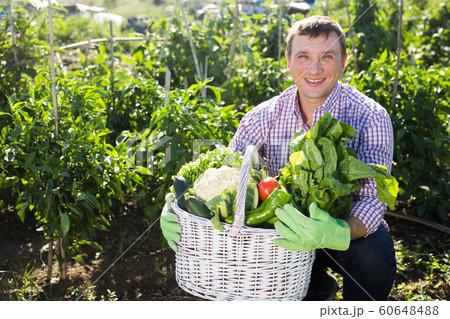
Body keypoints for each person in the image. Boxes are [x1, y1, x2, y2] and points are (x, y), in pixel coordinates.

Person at [161, 15, 397, 301]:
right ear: (288, 61)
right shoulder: (262, 117)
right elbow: (228, 174)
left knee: (374, 254)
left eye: (327, 56)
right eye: (303, 56)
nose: (315, 67)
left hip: (344, 231)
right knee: (285, 290)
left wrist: (334, 231)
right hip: (280, 236)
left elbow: (373, 198)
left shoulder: (370, 116)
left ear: (344, 60)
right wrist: (179, 203)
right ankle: (315, 291)